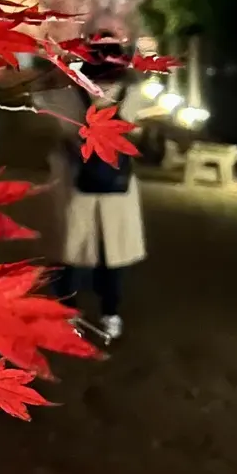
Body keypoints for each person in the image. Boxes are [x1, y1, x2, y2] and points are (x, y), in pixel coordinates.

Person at [40, 43, 147, 342]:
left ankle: (68, 315)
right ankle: (110, 314)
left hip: (73, 182)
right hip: (118, 186)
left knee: (71, 254)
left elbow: (40, 95)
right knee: (111, 256)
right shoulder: (131, 94)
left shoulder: (64, 93)